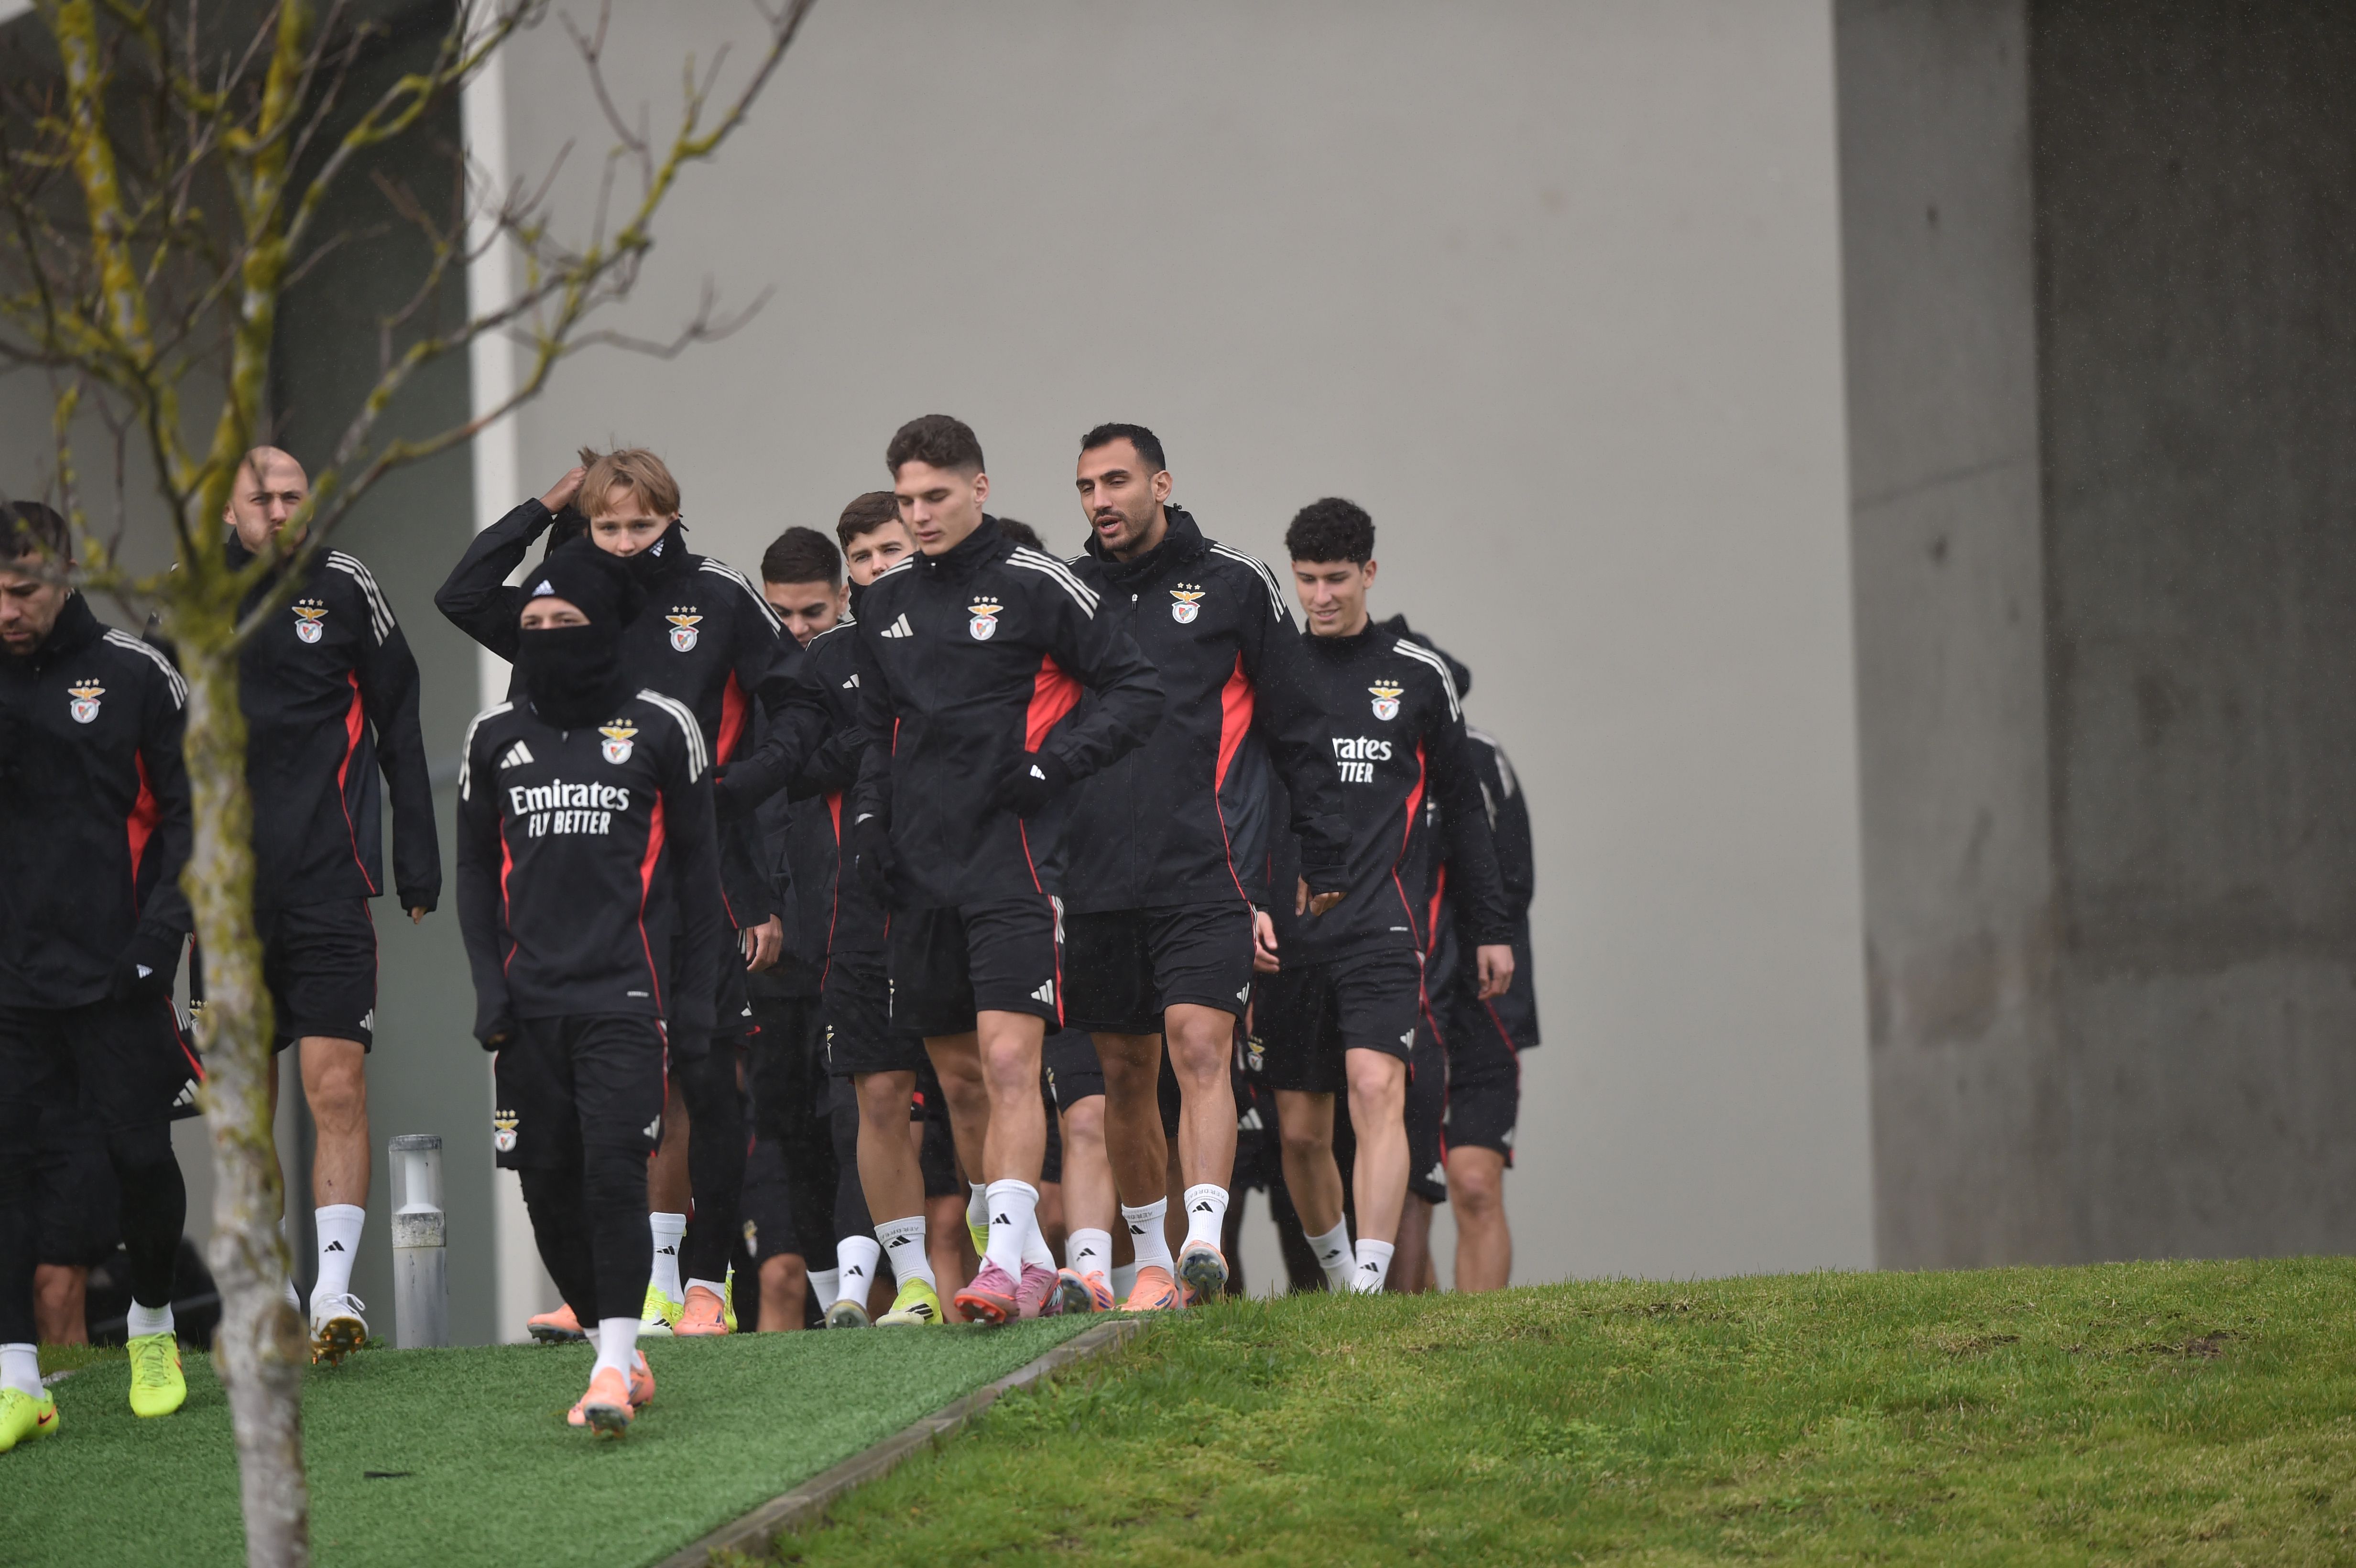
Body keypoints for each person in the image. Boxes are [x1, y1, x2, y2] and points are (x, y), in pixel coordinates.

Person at [437, 448, 789, 1340]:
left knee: (706, 1086)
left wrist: (733, 789)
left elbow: (802, 705)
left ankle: (705, 1283)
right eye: (608, 525)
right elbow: (464, 593)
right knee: (603, 1119)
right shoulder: (559, 599)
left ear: (674, 518)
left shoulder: (715, 592)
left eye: (644, 524)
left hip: (695, 882)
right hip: (576, 904)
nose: (627, 543)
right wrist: (544, 505)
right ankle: (630, 1290)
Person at [850, 414, 1163, 1326]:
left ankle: (998, 1261)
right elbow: (874, 732)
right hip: (919, 871)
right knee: (957, 1085)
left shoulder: (1034, 584)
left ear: (979, 489)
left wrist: (1050, 767)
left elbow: (1136, 687)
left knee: (1010, 1061)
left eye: (936, 497)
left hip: (1015, 861)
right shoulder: (880, 602)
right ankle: (1022, 1263)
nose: (919, 517)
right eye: (906, 501)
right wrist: (871, 823)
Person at [1060, 424, 1349, 1310]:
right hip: (1098, 874)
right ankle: (1150, 1264)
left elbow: (1298, 721)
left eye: (1116, 481)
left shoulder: (1234, 582)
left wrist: (1321, 847)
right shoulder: (1067, 595)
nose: (1101, 500)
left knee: (1199, 1046)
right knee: (1123, 1070)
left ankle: (1203, 1241)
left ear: (1161, 483)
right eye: (1085, 487)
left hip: (1206, 867)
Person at [455, 541, 722, 1435]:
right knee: (546, 1187)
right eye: (531, 628)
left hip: (624, 998)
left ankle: (610, 1365)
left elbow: (697, 879)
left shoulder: (661, 726)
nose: (546, 639)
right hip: (529, 1010)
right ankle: (622, 1348)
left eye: (564, 624)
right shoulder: (492, 737)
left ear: (604, 628)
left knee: (615, 1172)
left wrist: (692, 1008)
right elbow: (473, 880)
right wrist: (490, 993)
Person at [211, 447, 439, 1363]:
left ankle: (333, 1295)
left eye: (294, 497)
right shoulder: (188, 597)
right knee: (245, 1098)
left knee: (335, 1082)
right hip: (226, 899)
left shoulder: (346, 586)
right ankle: (266, 1290)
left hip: (329, 878)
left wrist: (416, 858)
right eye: (261, 498)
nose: (279, 511)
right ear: (228, 509)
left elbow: (403, 716)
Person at [1258, 498, 1514, 1295]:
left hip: (1382, 928)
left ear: (1370, 573)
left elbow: (1465, 809)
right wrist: (1246, 903)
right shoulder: (1272, 670)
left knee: (1377, 1090)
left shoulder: (1417, 675)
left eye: (1338, 579)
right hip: (1290, 939)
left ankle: (1368, 1286)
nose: (1322, 596)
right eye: (1307, 580)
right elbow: (1233, 795)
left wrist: (1490, 928)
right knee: (1300, 1134)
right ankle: (1340, 1273)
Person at [0, 501, 200, 1450]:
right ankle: (16, 1375)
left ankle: (154, 1329)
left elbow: (190, 821)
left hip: (119, 973)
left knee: (141, 1162)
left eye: (24, 589)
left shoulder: (133, 672)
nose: (7, 608)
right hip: (11, 982)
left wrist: (158, 939)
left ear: (66, 572)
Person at [736, 513, 946, 1329]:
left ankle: (950, 1279)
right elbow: (772, 792)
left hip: (903, 921)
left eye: (812, 614)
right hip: (794, 943)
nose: (795, 632)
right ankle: (845, 1300)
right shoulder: (783, 679)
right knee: (797, 1125)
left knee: (910, 1103)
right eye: (780, 615)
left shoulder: (915, 651)